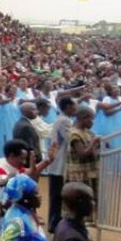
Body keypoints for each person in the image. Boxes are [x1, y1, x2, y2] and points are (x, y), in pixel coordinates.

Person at [43, 97, 77, 233]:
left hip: (57, 162)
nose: (75, 109)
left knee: (56, 195)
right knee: (57, 195)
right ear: (68, 106)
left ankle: (55, 222)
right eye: (74, 106)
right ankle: (54, 223)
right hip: (59, 163)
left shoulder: (61, 119)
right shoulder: (65, 121)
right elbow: (71, 138)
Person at [67, 107, 100, 213]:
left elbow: (93, 151)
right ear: (83, 118)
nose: (93, 122)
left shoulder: (88, 132)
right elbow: (81, 154)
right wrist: (93, 142)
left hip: (89, 172)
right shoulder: (75, 134)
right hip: (79, 174)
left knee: (90, 202)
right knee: (81, 203)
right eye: (91, 119)